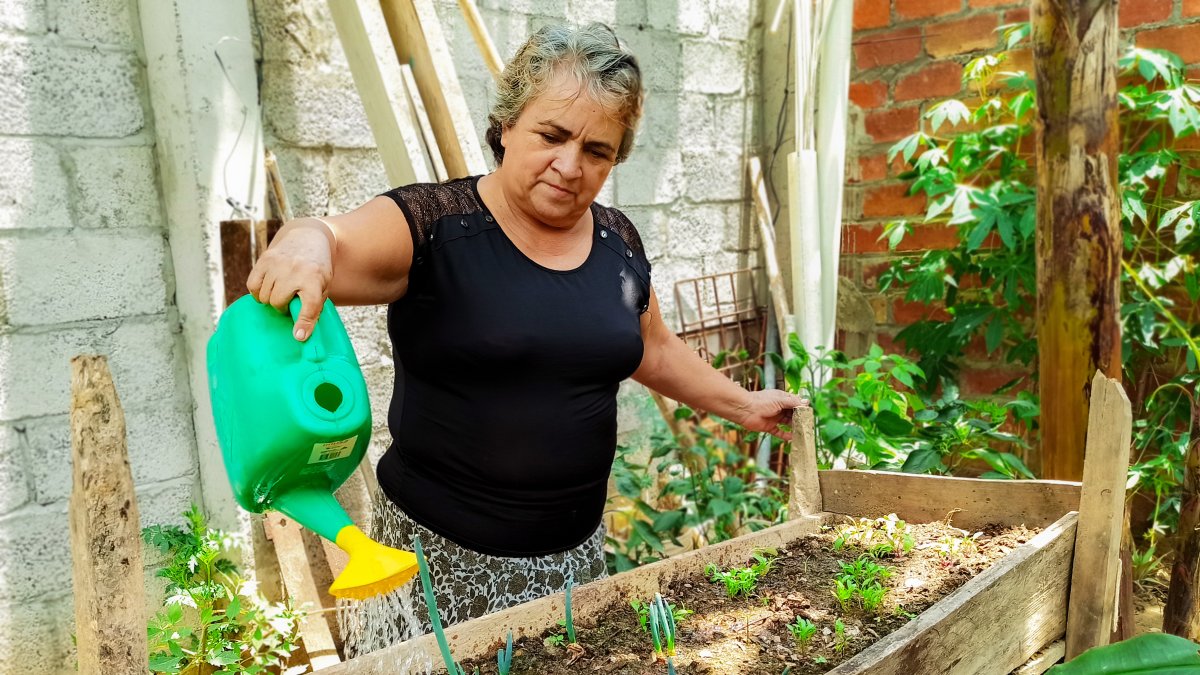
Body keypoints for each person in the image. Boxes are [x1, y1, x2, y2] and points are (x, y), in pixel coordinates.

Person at [247, 22, 808, 654]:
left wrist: (744, 404)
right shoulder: (434, 226)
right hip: (437, 566)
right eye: (552, 134)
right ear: (507, 125)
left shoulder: (617, 241)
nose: (570, 166)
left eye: (597, 150)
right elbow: (332, 237)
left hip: (573, 562)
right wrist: (303, 241)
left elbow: (651, 348)